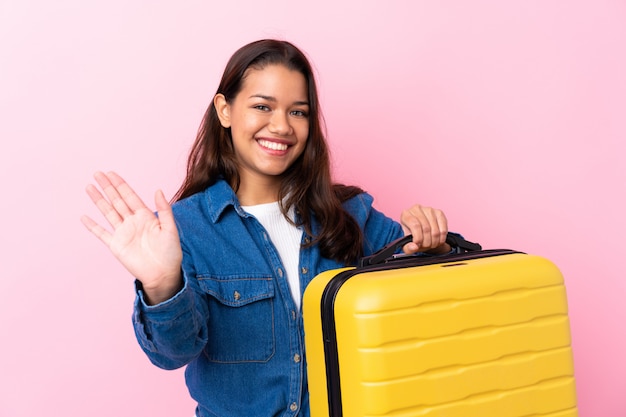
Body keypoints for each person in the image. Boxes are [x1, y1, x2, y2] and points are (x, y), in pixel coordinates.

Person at [81, 39, 454, 417]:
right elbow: (172, 353)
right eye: (262, 106)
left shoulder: (350, 214)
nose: (281, 126)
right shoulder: (185, 230)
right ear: (224, 110)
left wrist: (435, 244)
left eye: (298, 112)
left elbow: (434, 304)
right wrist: (162, 288)